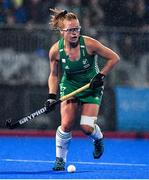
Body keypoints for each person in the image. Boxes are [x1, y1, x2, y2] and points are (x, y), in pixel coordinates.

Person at [45, 8, 120, 171]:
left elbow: (114, 58)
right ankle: (60, 160)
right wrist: (51, 96)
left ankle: (98, 139)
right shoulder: (55, 51)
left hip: (91, 85)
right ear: (61, 31)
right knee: (66, 124)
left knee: (86, 127)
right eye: (71, 30)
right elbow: (53, 75)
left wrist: (100, 75)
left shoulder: (90, 44)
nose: (75, 33)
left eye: (77, 29)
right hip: (70, 84)